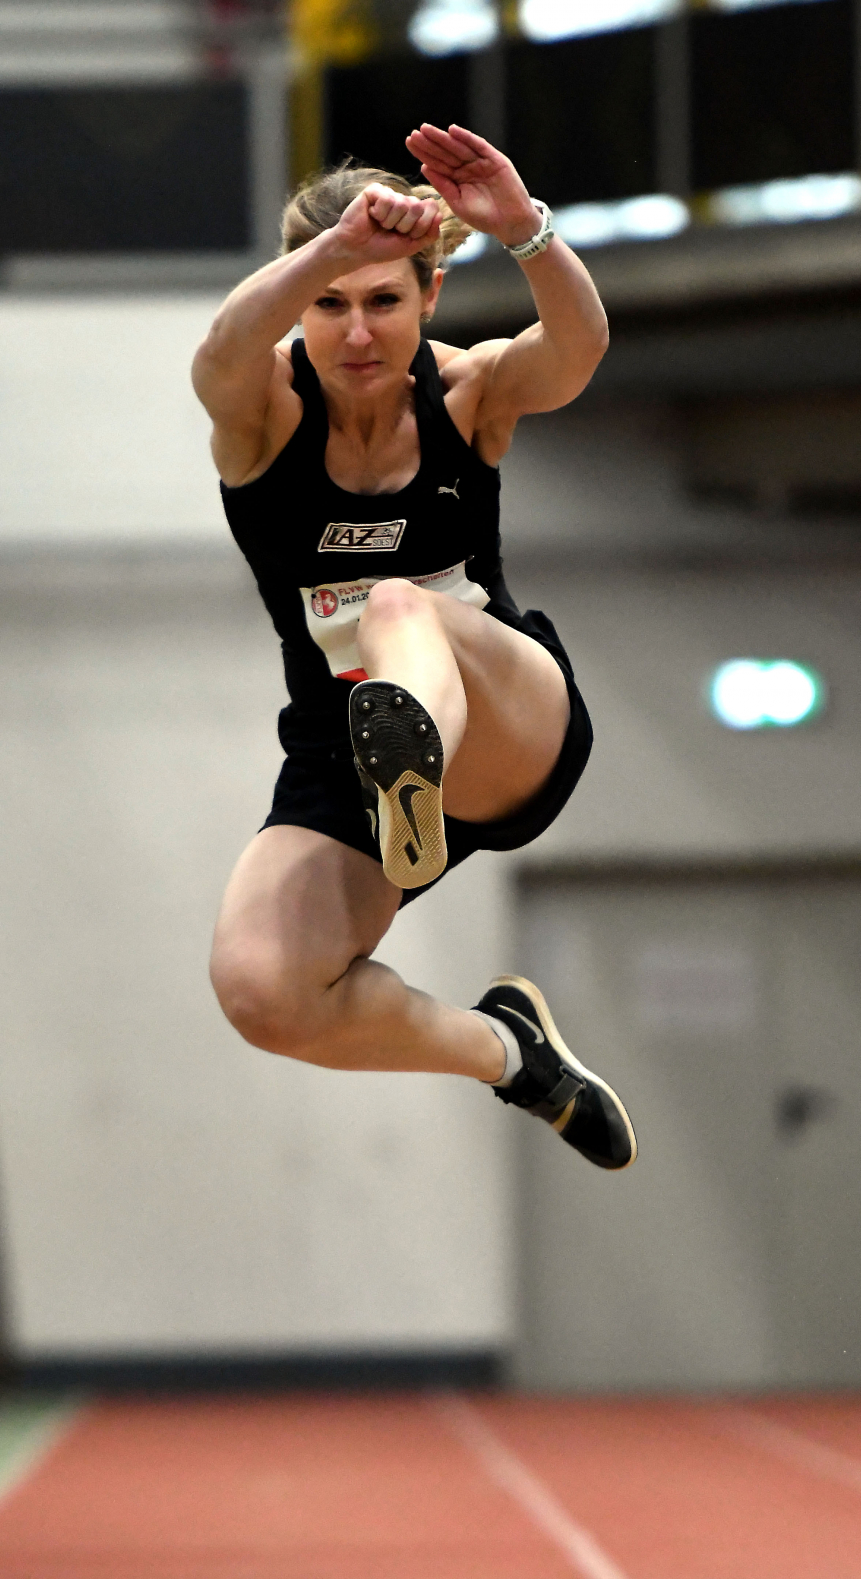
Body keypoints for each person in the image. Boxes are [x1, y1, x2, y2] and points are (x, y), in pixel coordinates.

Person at [192, 122, 636, 1170]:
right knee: (264, 988)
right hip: (347, 761)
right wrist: (332, 247)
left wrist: (525, 232)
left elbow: (575, 354)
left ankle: (414, 750)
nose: (357, 333)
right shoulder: (262, 417)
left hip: (511, 720)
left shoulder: (468, 392)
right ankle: (510, 1051)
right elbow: (218, 351)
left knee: (399, 605)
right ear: (299, 302)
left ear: (430, 296)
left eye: (385, 299)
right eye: (331, 302)